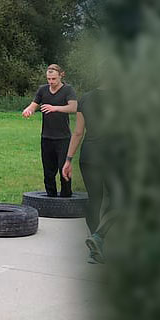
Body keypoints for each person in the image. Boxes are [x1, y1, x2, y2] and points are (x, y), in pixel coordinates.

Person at [63, 84, 105, 263]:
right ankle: (99, 238)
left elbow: (78, 132)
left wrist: (68, 159)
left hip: (89, 156)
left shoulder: (86, 98)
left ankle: (95, 249)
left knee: (95, 200)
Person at [23, 64, 78, 197]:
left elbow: (73, 108)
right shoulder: (43, 90)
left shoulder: (68, 90)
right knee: (48, 171)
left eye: (53, 79)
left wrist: (55, 108)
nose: (51, 82)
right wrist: (29, 110)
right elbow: (34, 104)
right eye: (48, 79)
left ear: (61, 75)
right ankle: (50, 197)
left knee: (63, 169)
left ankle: (66, 196)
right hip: (46, 137)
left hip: (63, 138)